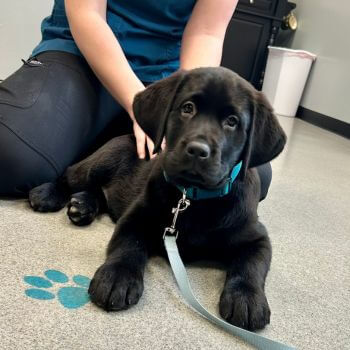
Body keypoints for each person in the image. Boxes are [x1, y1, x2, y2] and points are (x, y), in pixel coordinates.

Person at [0, 0, 271, 198]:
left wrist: (190, 110)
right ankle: (90, 148)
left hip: (162, 76)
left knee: (250, 176)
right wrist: (137, 103)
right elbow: (87, 14)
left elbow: (206, 32)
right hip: (79, 54)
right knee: (10, 157)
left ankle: (91, 147)